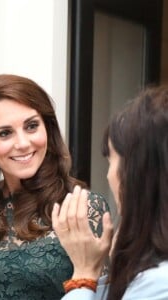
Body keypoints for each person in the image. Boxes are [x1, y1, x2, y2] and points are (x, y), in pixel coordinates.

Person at [0, 74, 110, 300]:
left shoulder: (83, 207)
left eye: (32, 126)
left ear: (47, 128)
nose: (23, 143)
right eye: (5, 133)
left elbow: (101, 295)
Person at [52, 86, 168, 300]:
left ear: (135, 172)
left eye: (111, 161)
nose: (108, 176)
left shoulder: (159, 283)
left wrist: (84, 273)